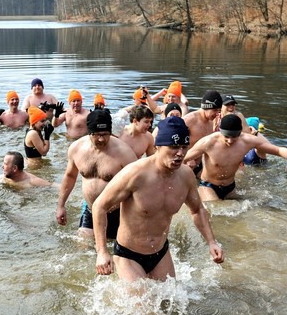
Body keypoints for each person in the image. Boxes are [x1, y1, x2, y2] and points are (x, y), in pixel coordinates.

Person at [92, 116, 225, 282]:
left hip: (160, 253)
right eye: (174, 147)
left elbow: (197, 209)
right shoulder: (135, 173)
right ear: (158, 146)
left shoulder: (186, 176)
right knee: (144, 309)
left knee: (170, 306)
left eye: (184, 147)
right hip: (129, 254)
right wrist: (102, 252)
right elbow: (99, 206)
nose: (180, 153)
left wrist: (212, 242)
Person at [56, 108, 137, 239]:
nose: (101, 139)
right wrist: (61, 205)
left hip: (117, 211)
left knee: (115, 252)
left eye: (105, 134)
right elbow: (70, 176)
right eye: (96, 134)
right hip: (90, 208)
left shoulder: (124, 153)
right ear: (89, 132)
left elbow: (137, 185)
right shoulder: (76, 148)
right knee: (83, 249)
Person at [185, 114, 287, 201]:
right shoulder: (209, 142)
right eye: (226, 136)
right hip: (208, 186)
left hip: (230, 188)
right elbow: (184, 157)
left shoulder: (247, 141)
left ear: (240, 133)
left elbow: (277, 149)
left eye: (234, 137)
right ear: (221, 132)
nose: (230, 140)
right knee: (217, 210)